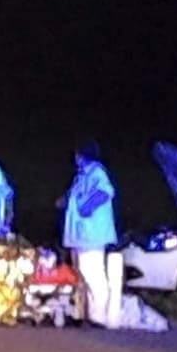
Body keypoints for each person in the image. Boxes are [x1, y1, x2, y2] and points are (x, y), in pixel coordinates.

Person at [60, 140, 120, 328]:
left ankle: (98, 316)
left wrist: (87, 207)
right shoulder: (81, 177)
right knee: (80, 275)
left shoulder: (96, 172)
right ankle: (82, 314)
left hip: (91, 236)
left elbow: (105, 191)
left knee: (93, 275)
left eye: (77, 155)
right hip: (79, 237)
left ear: (82, 155)